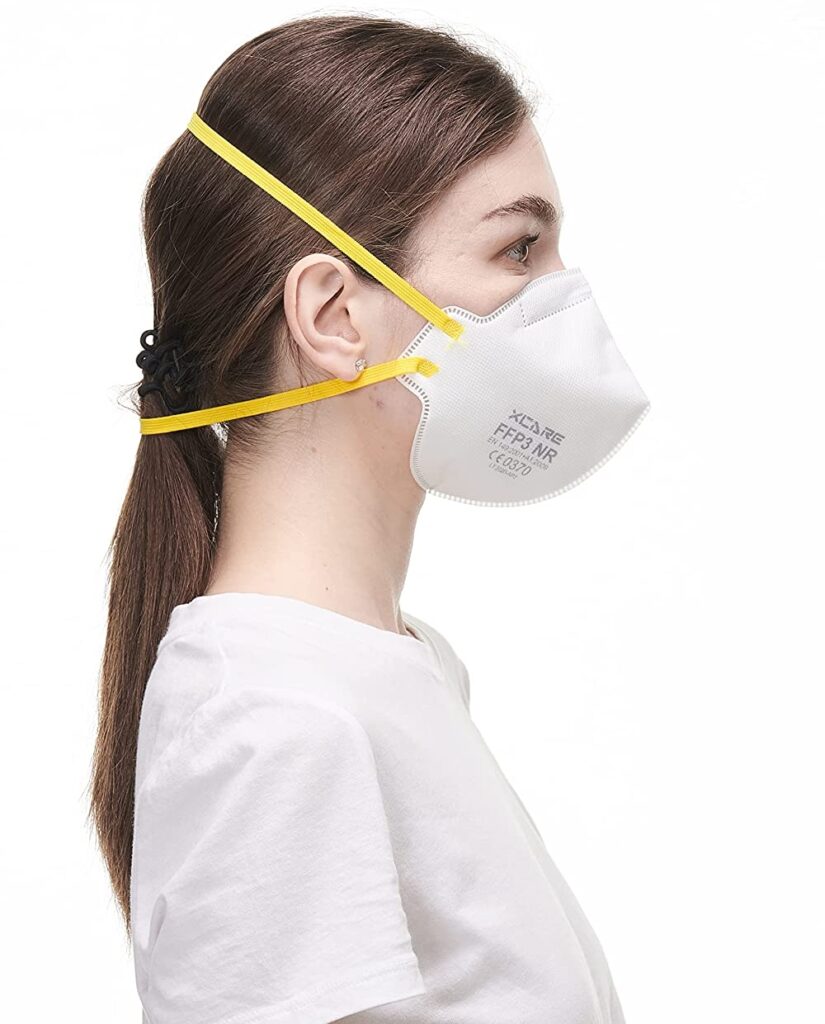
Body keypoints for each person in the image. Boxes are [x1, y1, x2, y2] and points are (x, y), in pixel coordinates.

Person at [89, 13, 649, 1024]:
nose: (564, 298)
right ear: (333, 316)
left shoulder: (382, 668)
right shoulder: (277, 721)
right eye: (519, 248)